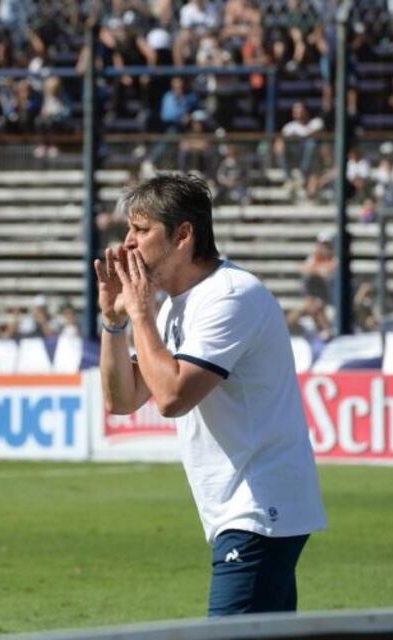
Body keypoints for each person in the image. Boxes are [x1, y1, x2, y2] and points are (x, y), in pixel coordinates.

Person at [94, 173, 327, 617]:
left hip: (259, 509)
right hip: (241, 509)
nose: (127, 244)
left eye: (141, 231)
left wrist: (140, 312)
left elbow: (172, 398)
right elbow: (122, 401)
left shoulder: (231, 296)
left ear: (183, 234)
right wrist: (114, 321)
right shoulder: (175, 305)